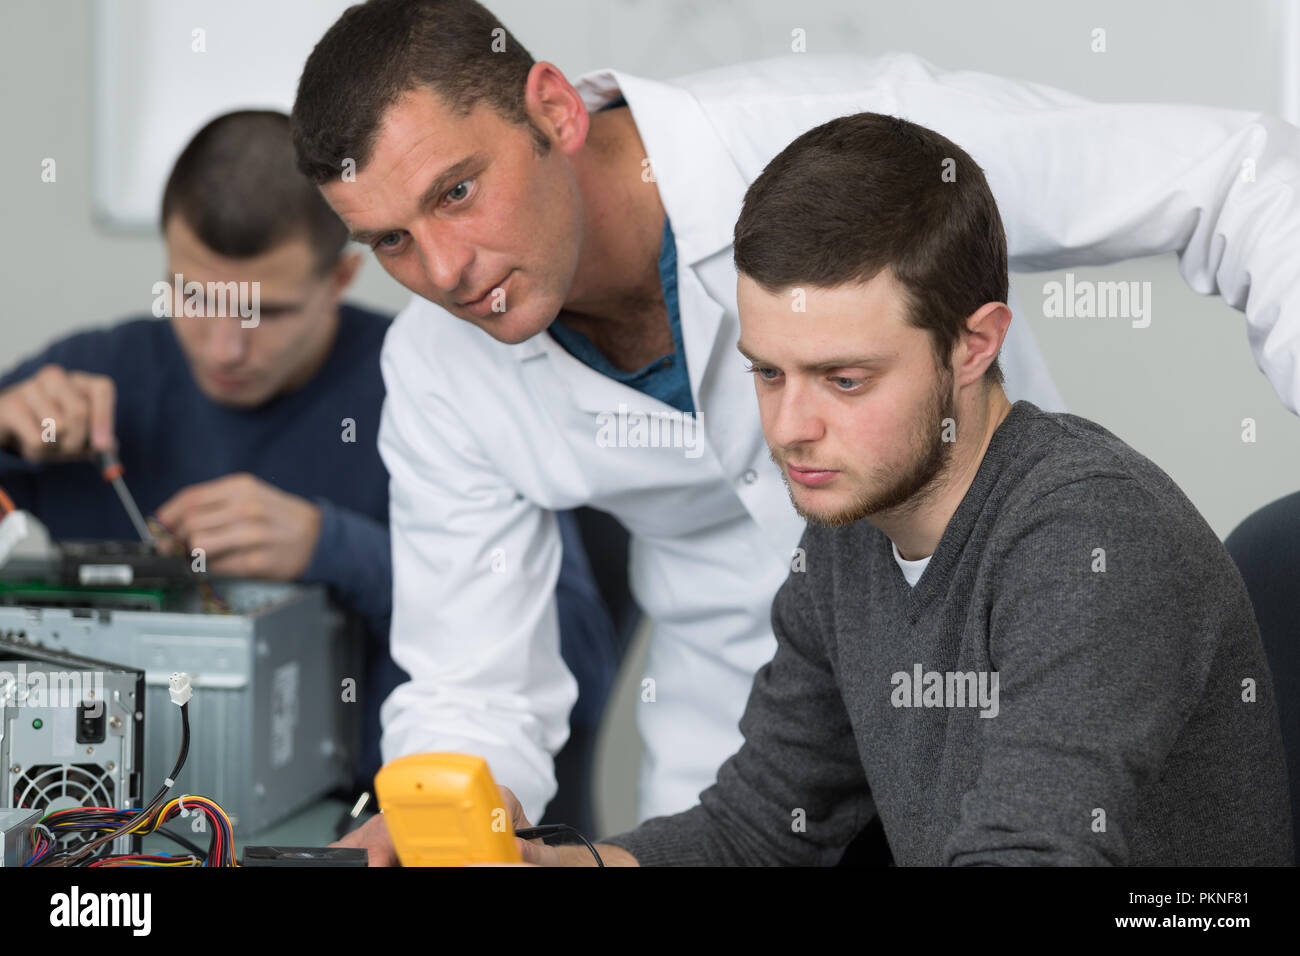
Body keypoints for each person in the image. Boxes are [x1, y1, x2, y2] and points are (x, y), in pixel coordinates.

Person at [291, 0, 1300, 862]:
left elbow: (1229, 177)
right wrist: (434, 824)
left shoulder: (855, 152)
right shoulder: (437, 367)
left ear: (552, 108)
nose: (445, 270)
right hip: (751, 744)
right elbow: (475, 682)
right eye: (390, 241)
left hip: (998, 666)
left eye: (457, 192)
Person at [503, 112, 1294, 866]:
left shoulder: (1091, 538)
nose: (790, 428)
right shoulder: (852, 527)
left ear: (973, 345)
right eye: (768, 372)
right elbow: (762, 829)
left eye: (844, 380)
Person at [0, 110, 617, 822]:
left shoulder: (438, 387)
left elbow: (581, 664)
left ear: (342, 277)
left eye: (265, 311)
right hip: (94, 825)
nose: (223, 347)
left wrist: (332, 548)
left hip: (366, 830)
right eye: (193, 297)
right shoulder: (91, 374)